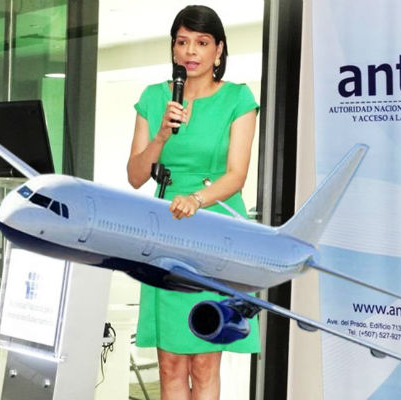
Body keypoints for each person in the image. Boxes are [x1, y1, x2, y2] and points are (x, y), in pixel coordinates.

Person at [127, 5, 260, 399]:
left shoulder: (238, 98)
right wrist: (161, 137)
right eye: (183, 42)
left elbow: (237, 174)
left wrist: (197, 199)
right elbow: (135, 175)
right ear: (173, 49)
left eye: (202, 43)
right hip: (165, 225)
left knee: (204, 360)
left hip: (215, 227)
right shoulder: (154, 99)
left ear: (219, 50)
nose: (191, 51)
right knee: (169, 362)